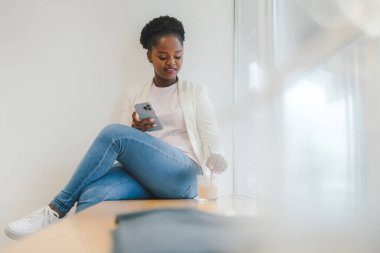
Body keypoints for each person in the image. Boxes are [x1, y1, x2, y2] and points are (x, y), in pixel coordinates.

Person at [4, 15, 227, 240]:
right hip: (145, 175)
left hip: (182, 175)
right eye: (162, 56)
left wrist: (217, 156)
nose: (172, 63)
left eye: (178, 56)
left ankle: (54, 210)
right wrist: (135, 128)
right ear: (149, 56)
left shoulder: (195, 92)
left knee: (113, 133)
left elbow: (211, 135)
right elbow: (121, 144)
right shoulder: (136, 94)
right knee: (92, 194)